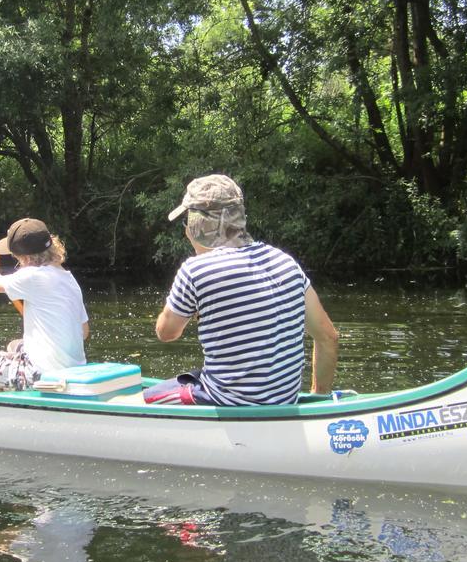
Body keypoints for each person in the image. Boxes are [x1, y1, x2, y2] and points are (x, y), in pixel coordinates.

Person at [144, 174, 338, 406]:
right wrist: (318, 400)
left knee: (135, 401)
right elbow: (328, 337)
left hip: (225, 402)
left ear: (200, 223)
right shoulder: (286, 262)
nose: (186, 229)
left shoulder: (196, 270)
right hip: (284, 403)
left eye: (187, 221)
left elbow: (166, 333)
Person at [0, 218, 89, 392]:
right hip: (74, 368)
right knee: (14, 346)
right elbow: (83, 332)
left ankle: (4, 412)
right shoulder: (68, 278)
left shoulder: (32, 275)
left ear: (26, 258)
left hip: (42, 374)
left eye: (17, 257)